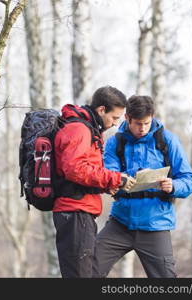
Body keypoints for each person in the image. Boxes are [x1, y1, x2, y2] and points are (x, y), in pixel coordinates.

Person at [96, 95, 192, 278]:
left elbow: (189, 179)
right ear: (127, 118)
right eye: (137, 124)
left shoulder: (168, 141)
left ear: (153, 117)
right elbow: (109, 175)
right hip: (120, 223)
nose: (142, 128)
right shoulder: (114, 142)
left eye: (146, 123)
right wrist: (119, 181)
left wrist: (173, 185)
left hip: (156, 225)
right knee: (88, 270)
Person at [52, 86, 136, 278]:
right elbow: (75, 169)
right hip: (74, 212)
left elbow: (86, 172)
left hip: (81, 211)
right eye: (114, 118)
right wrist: (115, 178)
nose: (115, 124)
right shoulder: (79, 129)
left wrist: (108, 185)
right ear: (101, 110)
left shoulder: (87, 129)